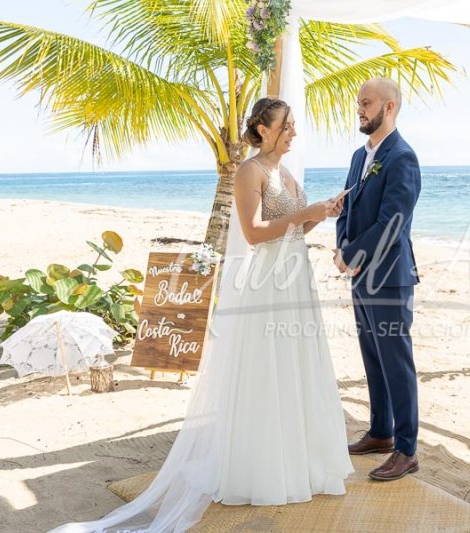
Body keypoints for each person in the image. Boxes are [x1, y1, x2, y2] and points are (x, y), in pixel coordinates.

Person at [51, 98, 353, 532]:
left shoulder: (285, 172)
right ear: (263, 130)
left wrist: (320, 216)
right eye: (286, 126)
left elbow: (293, 229)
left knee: (295, 369)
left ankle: (297, 463)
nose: (293, 133)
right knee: (267, 371)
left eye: (293, 126)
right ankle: (262, 469)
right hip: (267, 282)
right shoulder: (251, 171)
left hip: (294, 275)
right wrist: (306, 212)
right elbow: (252, 234)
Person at [334, 78, 422, 481]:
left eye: (366, 103)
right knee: (372, 356)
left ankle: (406, 449)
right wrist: (342, 247)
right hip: (359, 275)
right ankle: (381, 432)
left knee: (396, 361)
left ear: (390, 108)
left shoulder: (403, 157)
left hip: (389, 277)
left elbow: (392, 223)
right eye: (358, 103)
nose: (360, 109)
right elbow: (347, 206)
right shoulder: (358, 155)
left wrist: (350, 254)